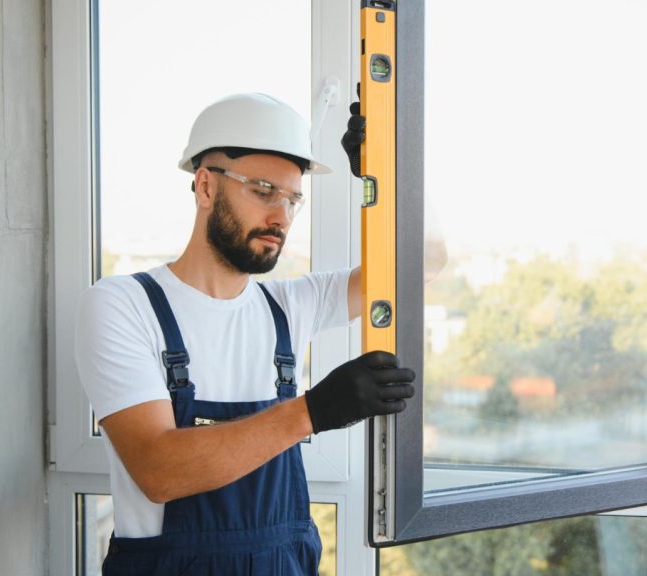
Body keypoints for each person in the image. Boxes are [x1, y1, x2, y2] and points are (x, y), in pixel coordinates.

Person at [74, 92, 415, 575]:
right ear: (206, 186)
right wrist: (314, 411)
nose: (281, 217)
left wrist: (390, 167)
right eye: (262, 190)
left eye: (293, 199)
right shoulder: (122, 305)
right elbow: (159, 470)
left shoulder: (288, 308)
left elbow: (422, 263)